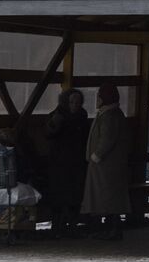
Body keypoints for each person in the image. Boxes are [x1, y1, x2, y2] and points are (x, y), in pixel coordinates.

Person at [81, 85, 130, 241]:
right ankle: (110, 227)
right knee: (107, 196)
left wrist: (96, 155)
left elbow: (107, 139)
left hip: (105, 164)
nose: (97, 100)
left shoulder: (109, 115)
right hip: (108, 163)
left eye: (99, 97)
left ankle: (111, 228)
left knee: (106, 197)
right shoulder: (111, 113)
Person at [44, 88, 90, 229]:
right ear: (66, 102)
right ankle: (58, 224)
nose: (75, 104)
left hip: (77, 162)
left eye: (78, 102)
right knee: (59, 195)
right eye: (72, 102)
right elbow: (48, 133)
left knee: (75, 195)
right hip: (59, 163)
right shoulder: (57, 116)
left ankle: (72, 223)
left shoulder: (82, 117)